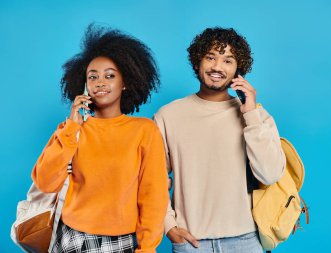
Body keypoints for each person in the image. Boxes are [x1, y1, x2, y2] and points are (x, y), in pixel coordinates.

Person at [32, 24, 168, 253]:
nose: (100, 82)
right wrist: (72, 125)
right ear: (84, 85)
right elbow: (45, 182)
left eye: (110, 75)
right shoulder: (71, 130)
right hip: (71, 238)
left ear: (125, 82)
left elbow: (154, 196)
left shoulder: (144, 131)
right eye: (92, 77)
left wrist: (148, 248)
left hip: (121, 242)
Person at [153, 27, 286, 253]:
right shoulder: (168, 116)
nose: (217, 67)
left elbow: (270, 174)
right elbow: (153, 177)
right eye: (210, 57)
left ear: (238, 70)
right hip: (190, 243)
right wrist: (169, 226)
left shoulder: (256, 116)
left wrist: (250, 114)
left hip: (245, 241)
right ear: (197, 62)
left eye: (228, 61)